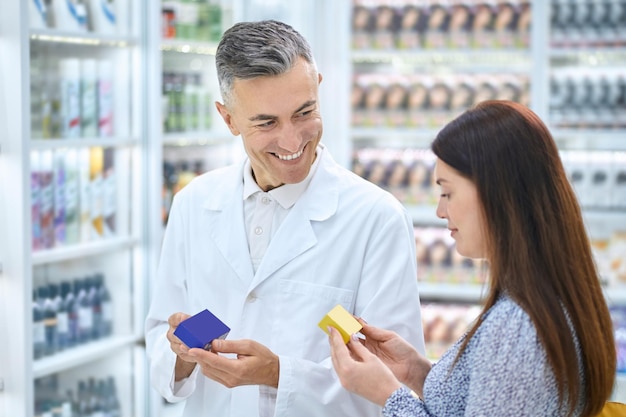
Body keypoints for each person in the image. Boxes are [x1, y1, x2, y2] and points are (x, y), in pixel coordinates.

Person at [145, 20, 425, 417]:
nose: (292, 141)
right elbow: (160, 334)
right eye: (266, 123)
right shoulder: (193, 203)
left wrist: (280, 374)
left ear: (319, 88)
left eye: (304, 112)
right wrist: (181, 354)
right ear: (228, 119)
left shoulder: (376, 218)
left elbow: (392, 382)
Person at [328, 100, 616, 417]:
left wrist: (389, 396)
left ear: (496, 193)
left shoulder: (517, 328)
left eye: (448, 193)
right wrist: (414, 371)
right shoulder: (540, 300)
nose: (440, 211)